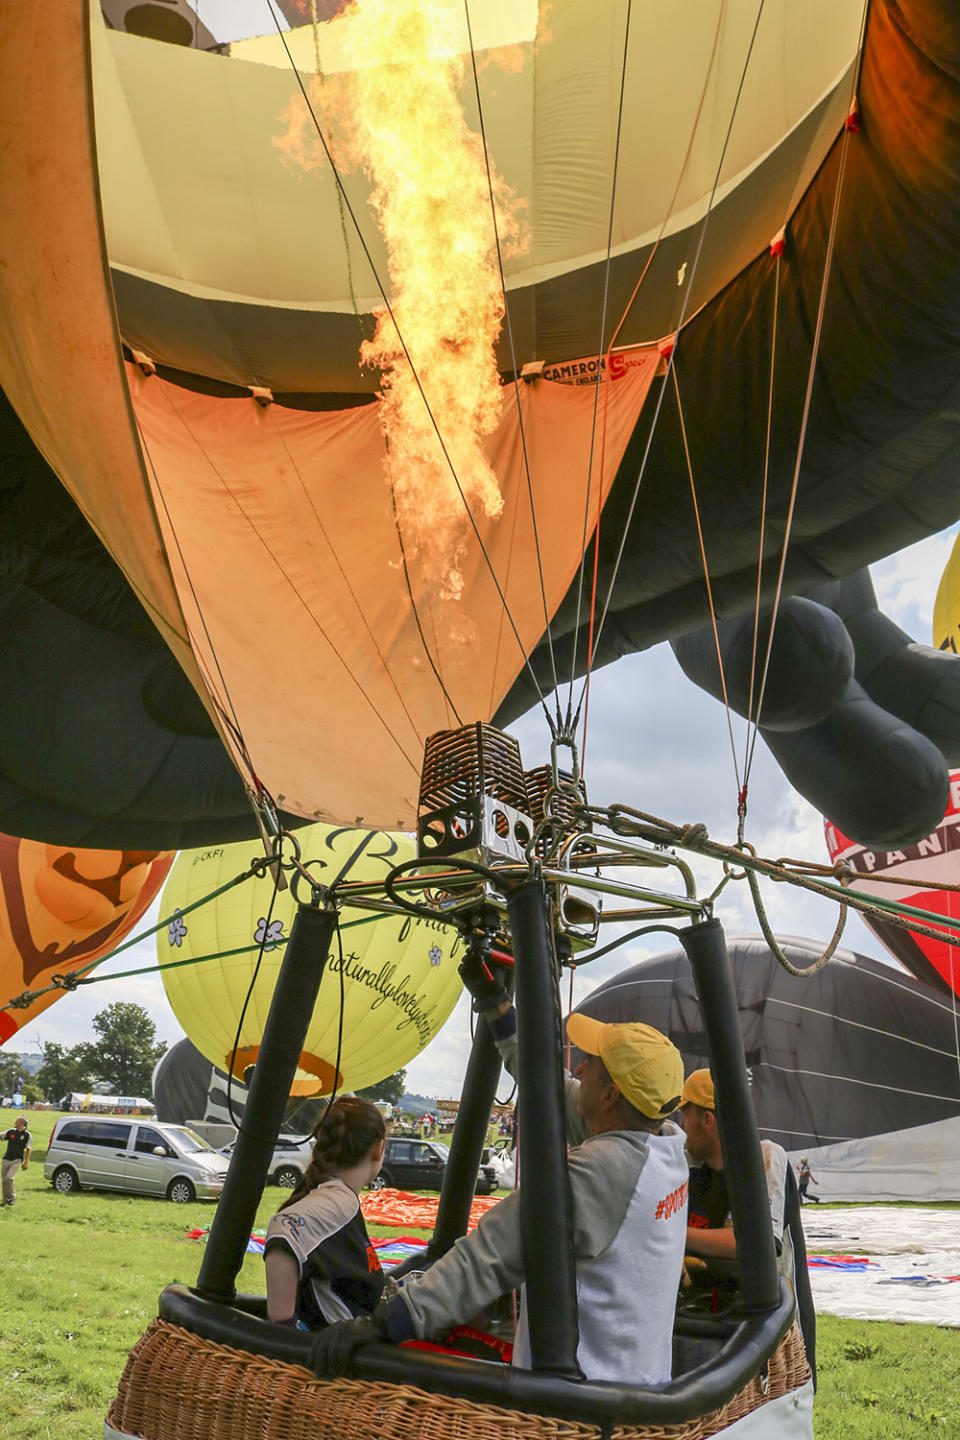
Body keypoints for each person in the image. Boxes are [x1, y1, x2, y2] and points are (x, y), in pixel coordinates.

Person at [312, 1000, 688, 1384]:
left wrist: (387, 1321)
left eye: (589, 1066)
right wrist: (500, 1012)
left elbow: (488, 1255)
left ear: (609, 1097)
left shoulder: (600, 1173)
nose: (579, 1069)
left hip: (579, 1406)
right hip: (640, 1383)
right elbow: (553, 1088)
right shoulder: (667, 1147)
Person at [678, 1069, 816, 1384]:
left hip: (768, 1337)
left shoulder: (766, 1157)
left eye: (685, 1118)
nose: (682, 1129)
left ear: (707, 1120)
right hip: (710, 1330)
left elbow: (755, 1244)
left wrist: (676, 1237)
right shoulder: (692, 1172)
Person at [264, 1097, 388, 1330]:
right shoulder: (339, 1201)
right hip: (338, 1359)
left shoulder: (339, 1198)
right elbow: (285, 1228)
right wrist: (282, 1326)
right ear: (378, 1148)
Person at [2, 1115, 31, 1206]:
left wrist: (26, 1162)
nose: (15, 1123)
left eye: (17, 1121)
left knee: (9, 1178)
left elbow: (28, 1149)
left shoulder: (27, 1135)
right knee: (4, 1181)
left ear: (21, 1123)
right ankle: (6, 1199)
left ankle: (12, 1198)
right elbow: (1, 1136)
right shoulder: (11, 1131)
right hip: (6, 1158)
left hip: (17, 1160)